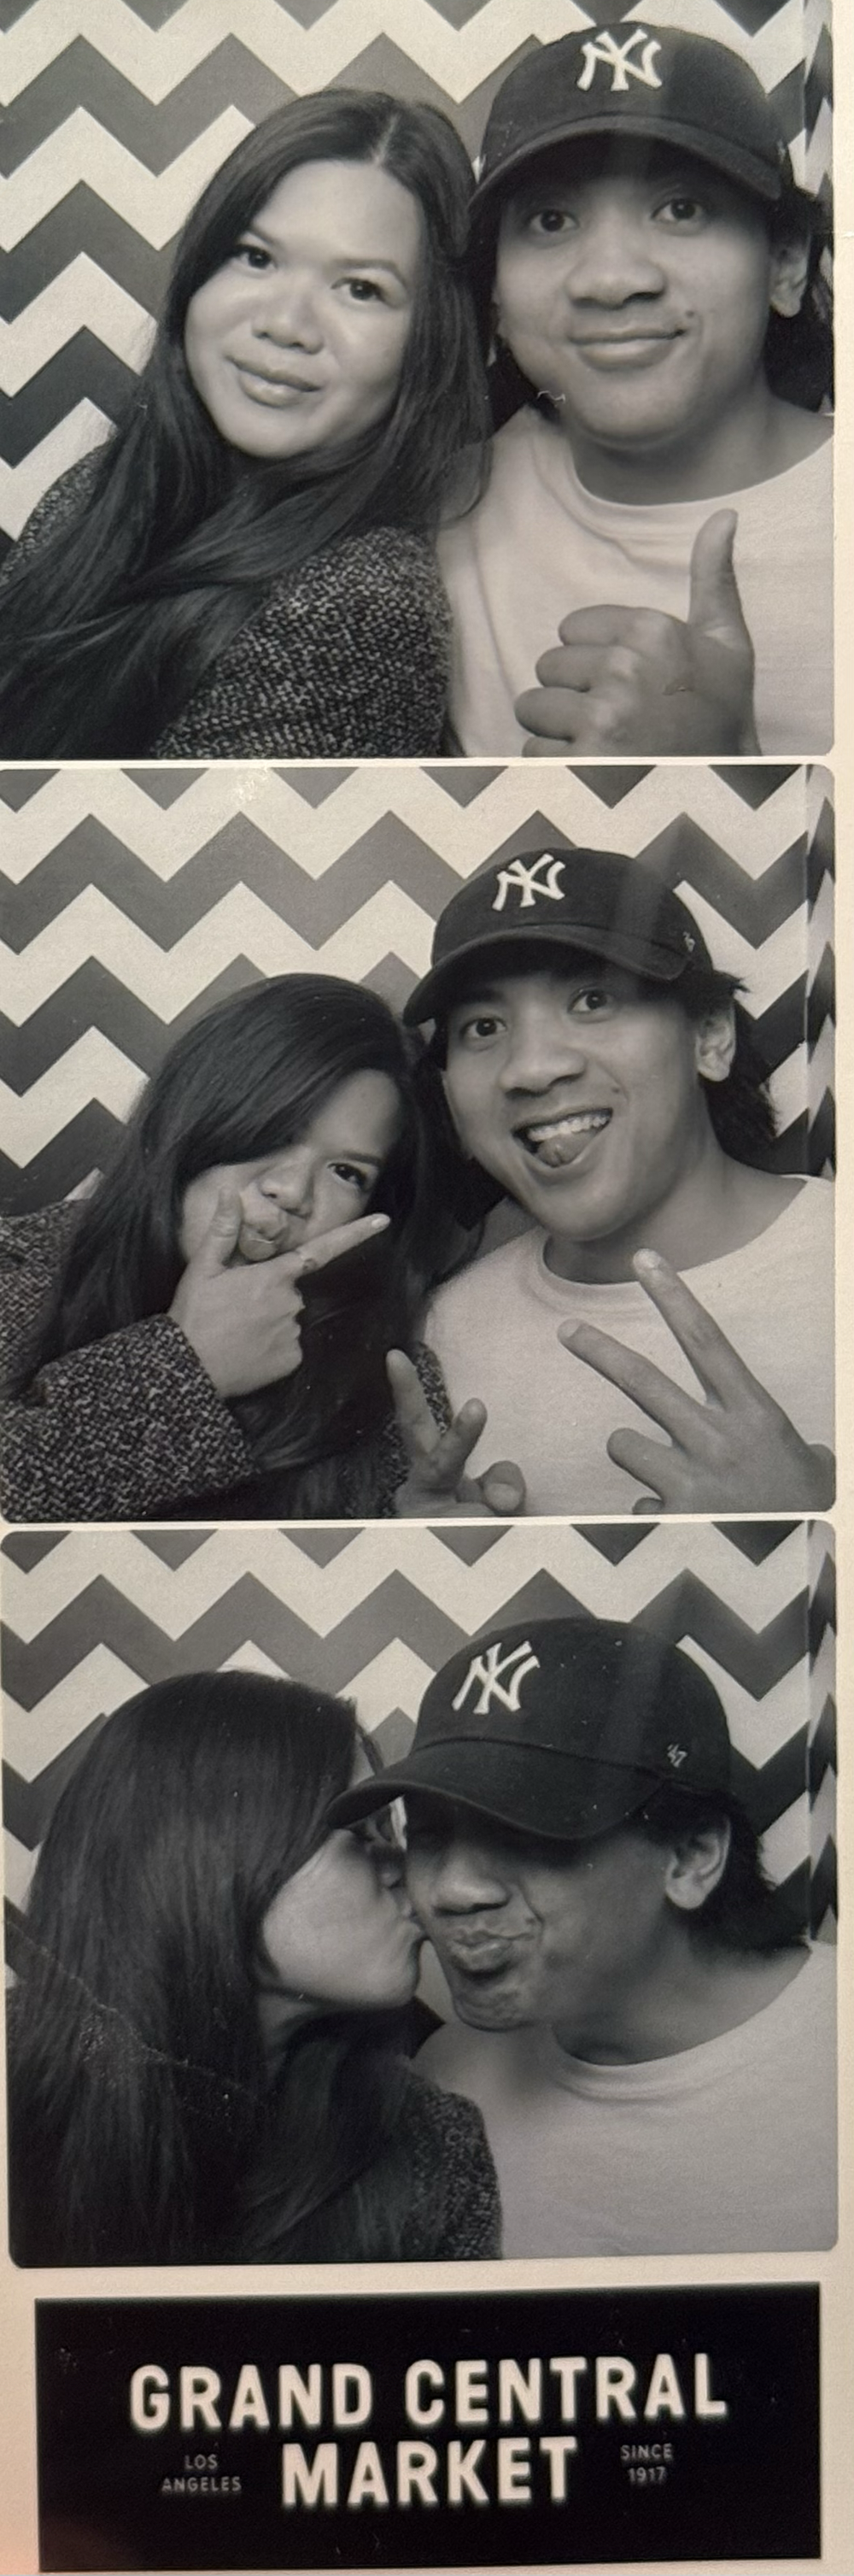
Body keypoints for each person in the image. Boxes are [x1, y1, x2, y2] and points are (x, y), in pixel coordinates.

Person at [0, 91, 486, 759]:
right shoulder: (99, 488)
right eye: (256, 257)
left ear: (431, 339)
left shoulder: (360, 610)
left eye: (362, 289)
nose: (285, 325)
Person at [331, 1616, 836, 2256]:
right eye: (429, 1834)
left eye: (523, 1832)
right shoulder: (443, 2084)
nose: (452, 1890)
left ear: (689, 1856)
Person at [5, 1669, 501, 2265]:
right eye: (361, 1833)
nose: (410, 1872)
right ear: (213, 1850)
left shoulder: (435, 2148)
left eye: (395, 1833)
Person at [398, 846, 834, 1516]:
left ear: (710, 1037)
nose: (532, 1068)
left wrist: (817, 1523)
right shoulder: (442, 1333)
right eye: (483, 1027)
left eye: (592, 998)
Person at [0, 971, 524, 1523]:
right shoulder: (14, 1269)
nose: (292, 1191)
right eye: (275, 1133)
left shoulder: (387, 1382)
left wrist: (419, 1539)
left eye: (347, 1172)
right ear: (191, 1114)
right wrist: (185, 1365)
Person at [439, 22, 833, 757]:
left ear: (784, 264)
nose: (613, 280)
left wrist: (724, 764)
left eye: (682, 209)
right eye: (551, 220)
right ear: (493, 292)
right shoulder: (434, 511)